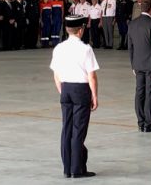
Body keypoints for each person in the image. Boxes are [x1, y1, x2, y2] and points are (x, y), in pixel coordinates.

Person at [50, 15, 99, 178]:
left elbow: (56, 75)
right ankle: (77, 169)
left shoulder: (59, 48)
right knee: (78, 131)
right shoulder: (86, 49)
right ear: (81, 30)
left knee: (67, 129)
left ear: (66, 29)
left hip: (65, 89)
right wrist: (95, 96)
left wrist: (62, 91)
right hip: (81, 89)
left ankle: (67, 169)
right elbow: (91, 76)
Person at [128, 0, 151, 132]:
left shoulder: (132, 24)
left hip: (137, 64)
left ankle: (140, 122)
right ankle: (148, 124)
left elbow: (130, 47)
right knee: (150, 94)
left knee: (139, 93)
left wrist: (133, 65)